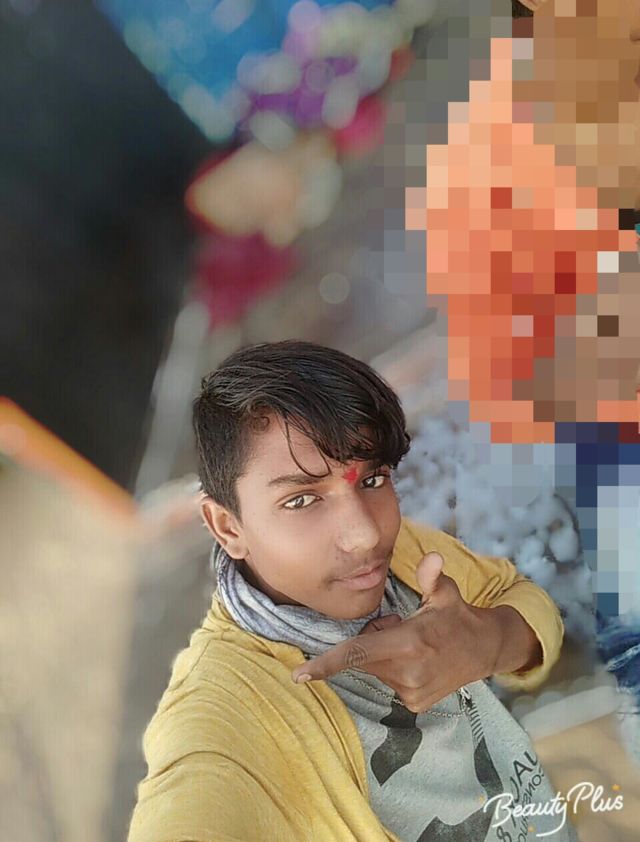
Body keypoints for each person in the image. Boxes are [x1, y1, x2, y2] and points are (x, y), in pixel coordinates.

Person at [126, 340, 580, 841]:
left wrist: (486, 642)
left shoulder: (407, 558)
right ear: (227, 527)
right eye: (302, 500)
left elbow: (520, 597)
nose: (365, 535)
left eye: (372, 480)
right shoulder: (223, 715)